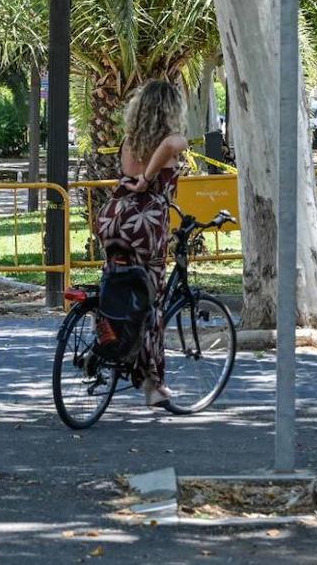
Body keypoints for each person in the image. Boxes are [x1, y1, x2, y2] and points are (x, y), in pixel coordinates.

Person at [95, 80, 188, 409]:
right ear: (169, 109)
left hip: (116, 221)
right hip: (147, 228)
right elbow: (171, 145)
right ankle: (152, 384)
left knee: (117, 286)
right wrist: (149, 178)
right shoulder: (170, 142)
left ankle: (108, 349)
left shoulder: (128, 141)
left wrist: (141, 176)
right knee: (152, 304)